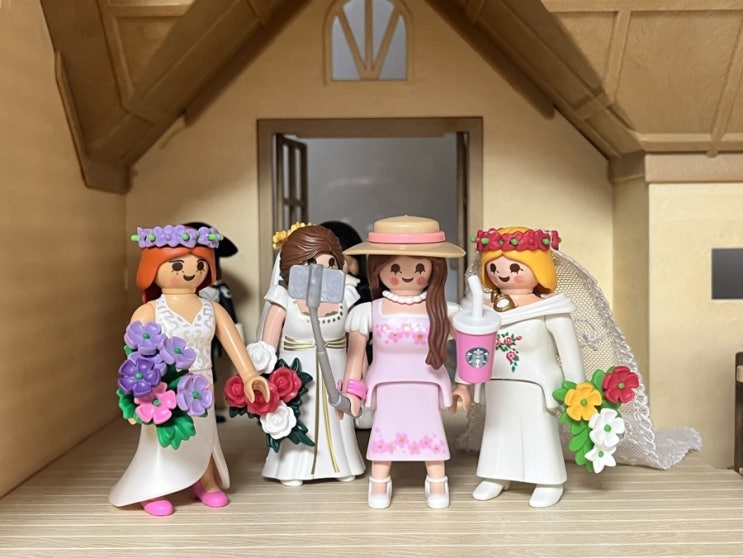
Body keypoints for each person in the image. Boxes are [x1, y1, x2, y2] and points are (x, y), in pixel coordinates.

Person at [109, 224, 269, 516]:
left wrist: (250, 375)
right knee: (163, 437)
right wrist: (134, 397)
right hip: (163, 386)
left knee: (204, 434)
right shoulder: (151, 310)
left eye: (200, 264)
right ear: (153, 268)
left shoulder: (212, 309)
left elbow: (234, 344)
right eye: (178, 265)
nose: (190, 271)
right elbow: (134, 359)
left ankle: (205, 481)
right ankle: (154, 487)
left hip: (202, 384)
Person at [341, 215, 468, 509]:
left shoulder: (444, 311)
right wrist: (352, 392)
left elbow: (468, 350)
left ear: (434, 268)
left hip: (427, 385)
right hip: (387, 386)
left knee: (430, 432)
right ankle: (379, 481)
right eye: (395, 268)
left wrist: (463, 384)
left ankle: (437, 481)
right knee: (384, 434)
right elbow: (355, 357)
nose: (408, 275)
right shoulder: (367, 312)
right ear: (378, 268)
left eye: (420, 267)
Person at [455, 226, 583, 508]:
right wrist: (463, 382)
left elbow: (570, 355)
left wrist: (578, 391)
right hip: (497, 382)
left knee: (538, 432)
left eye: (515, 267)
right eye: (494, 267)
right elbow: (471, 348)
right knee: (498, 431)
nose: (503, 274)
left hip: (535, 385)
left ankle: (548, 480)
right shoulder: (482, 308)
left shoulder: (551, 309)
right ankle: (496, 474)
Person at [248, 224, 365, 485]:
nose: (322, 269)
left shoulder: (346, 298)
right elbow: (266, 348)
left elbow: (357, 349)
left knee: (337, 420)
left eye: (330, 262)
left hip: (337, 370)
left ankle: (341, 463)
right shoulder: (284, 300)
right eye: (311, 262)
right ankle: (293, 468)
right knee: (302, 415)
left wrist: (356, 387)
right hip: (296, 375)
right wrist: (261, 376)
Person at [185, 221, 242, 423]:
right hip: (181, 336)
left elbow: (229, 315)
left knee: (208, 370)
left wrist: (238, 339)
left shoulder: (218, 289)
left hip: (207, 334)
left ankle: (208, 406)